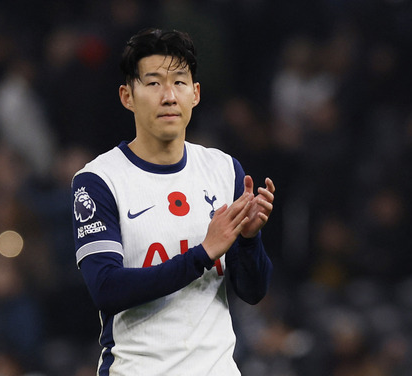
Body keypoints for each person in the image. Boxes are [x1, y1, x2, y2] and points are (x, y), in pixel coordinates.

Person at [71, 28, 276, 376]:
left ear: (195, 94)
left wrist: (248, 240)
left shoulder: (224, 169)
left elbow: (252, 291)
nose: (169, 96)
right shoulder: (98, 181)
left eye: (180, 82)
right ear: (127, 96)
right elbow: (106, 288)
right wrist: (202, 254)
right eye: (153, 83)